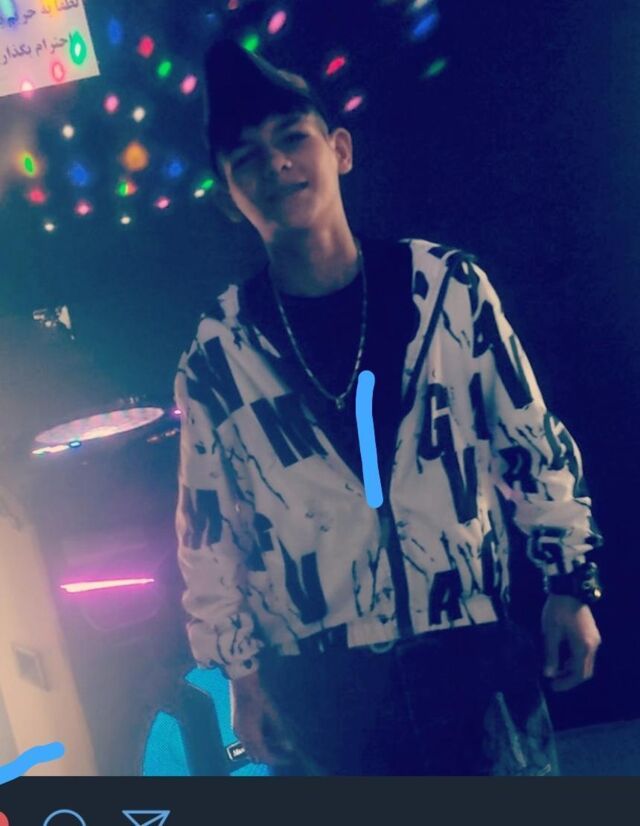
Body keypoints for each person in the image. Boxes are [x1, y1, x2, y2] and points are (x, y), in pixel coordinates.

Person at [174, 39, 604, 775]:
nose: (275, 164)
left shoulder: (448, 289)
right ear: (227, 196)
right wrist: (240, 673)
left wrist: (569, 584)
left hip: (470, 649)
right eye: (245, 157)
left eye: (292, 138)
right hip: (324, 683)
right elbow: (209, 525)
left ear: (339, 149)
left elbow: (529, 438)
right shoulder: (219, 352)